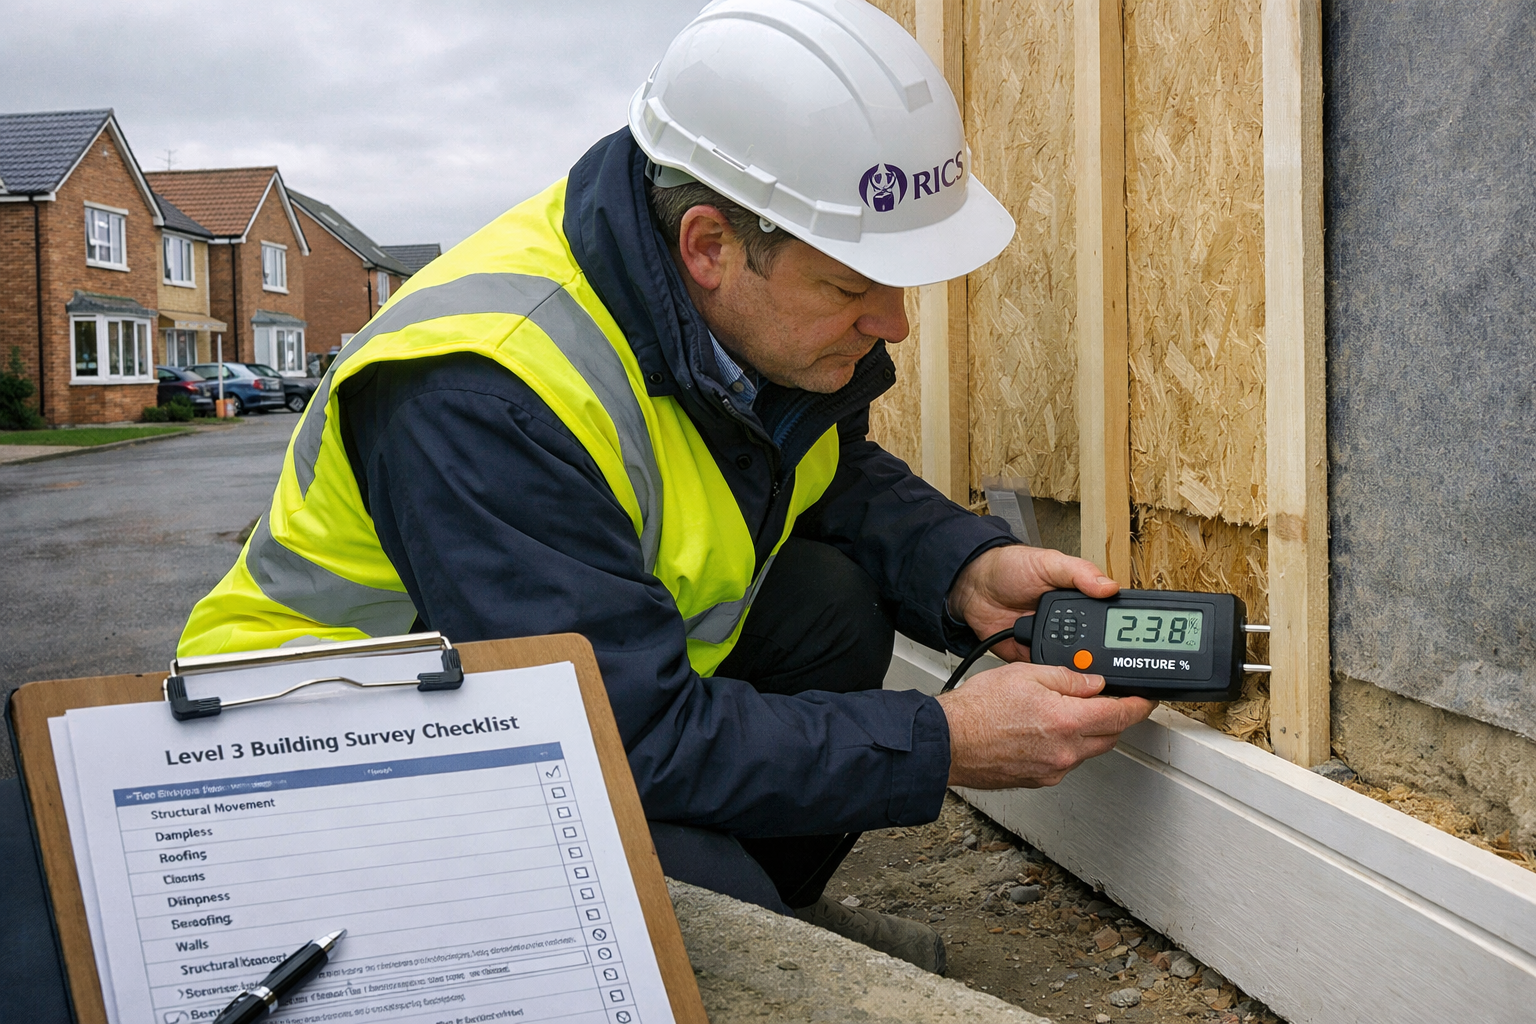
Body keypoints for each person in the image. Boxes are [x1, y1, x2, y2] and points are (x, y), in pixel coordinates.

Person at [179, 0, 1155, 973]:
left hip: (533, 703)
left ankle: (768, 918)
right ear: (710, 246)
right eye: (854, 288)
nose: (894, 324)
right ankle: (734, 941)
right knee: (681, 918)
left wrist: (961, 570)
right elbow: (625, 738)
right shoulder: (484, 392)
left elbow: (820, 470)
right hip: (320, 782)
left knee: (827, 610)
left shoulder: (716, 308)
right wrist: (942, 740)